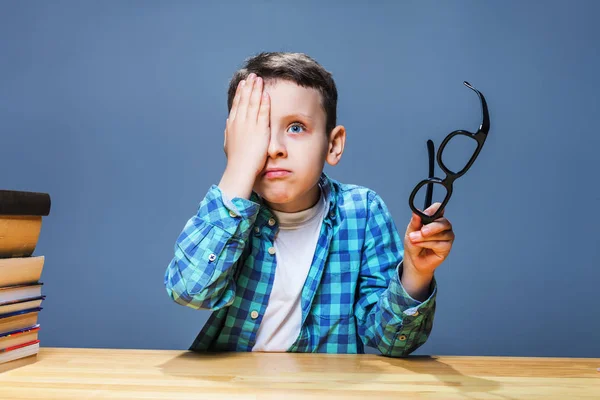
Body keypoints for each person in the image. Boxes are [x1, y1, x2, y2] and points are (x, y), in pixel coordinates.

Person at [164, 52, 455, 357]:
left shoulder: (363, 212)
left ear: (333, 144)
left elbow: (393, 342)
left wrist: (416, 276)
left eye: (296, 128)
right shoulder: (229, 215)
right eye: (258, 132)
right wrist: (238, 167)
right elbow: (189, 291)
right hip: (234, 387)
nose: (274, 148)